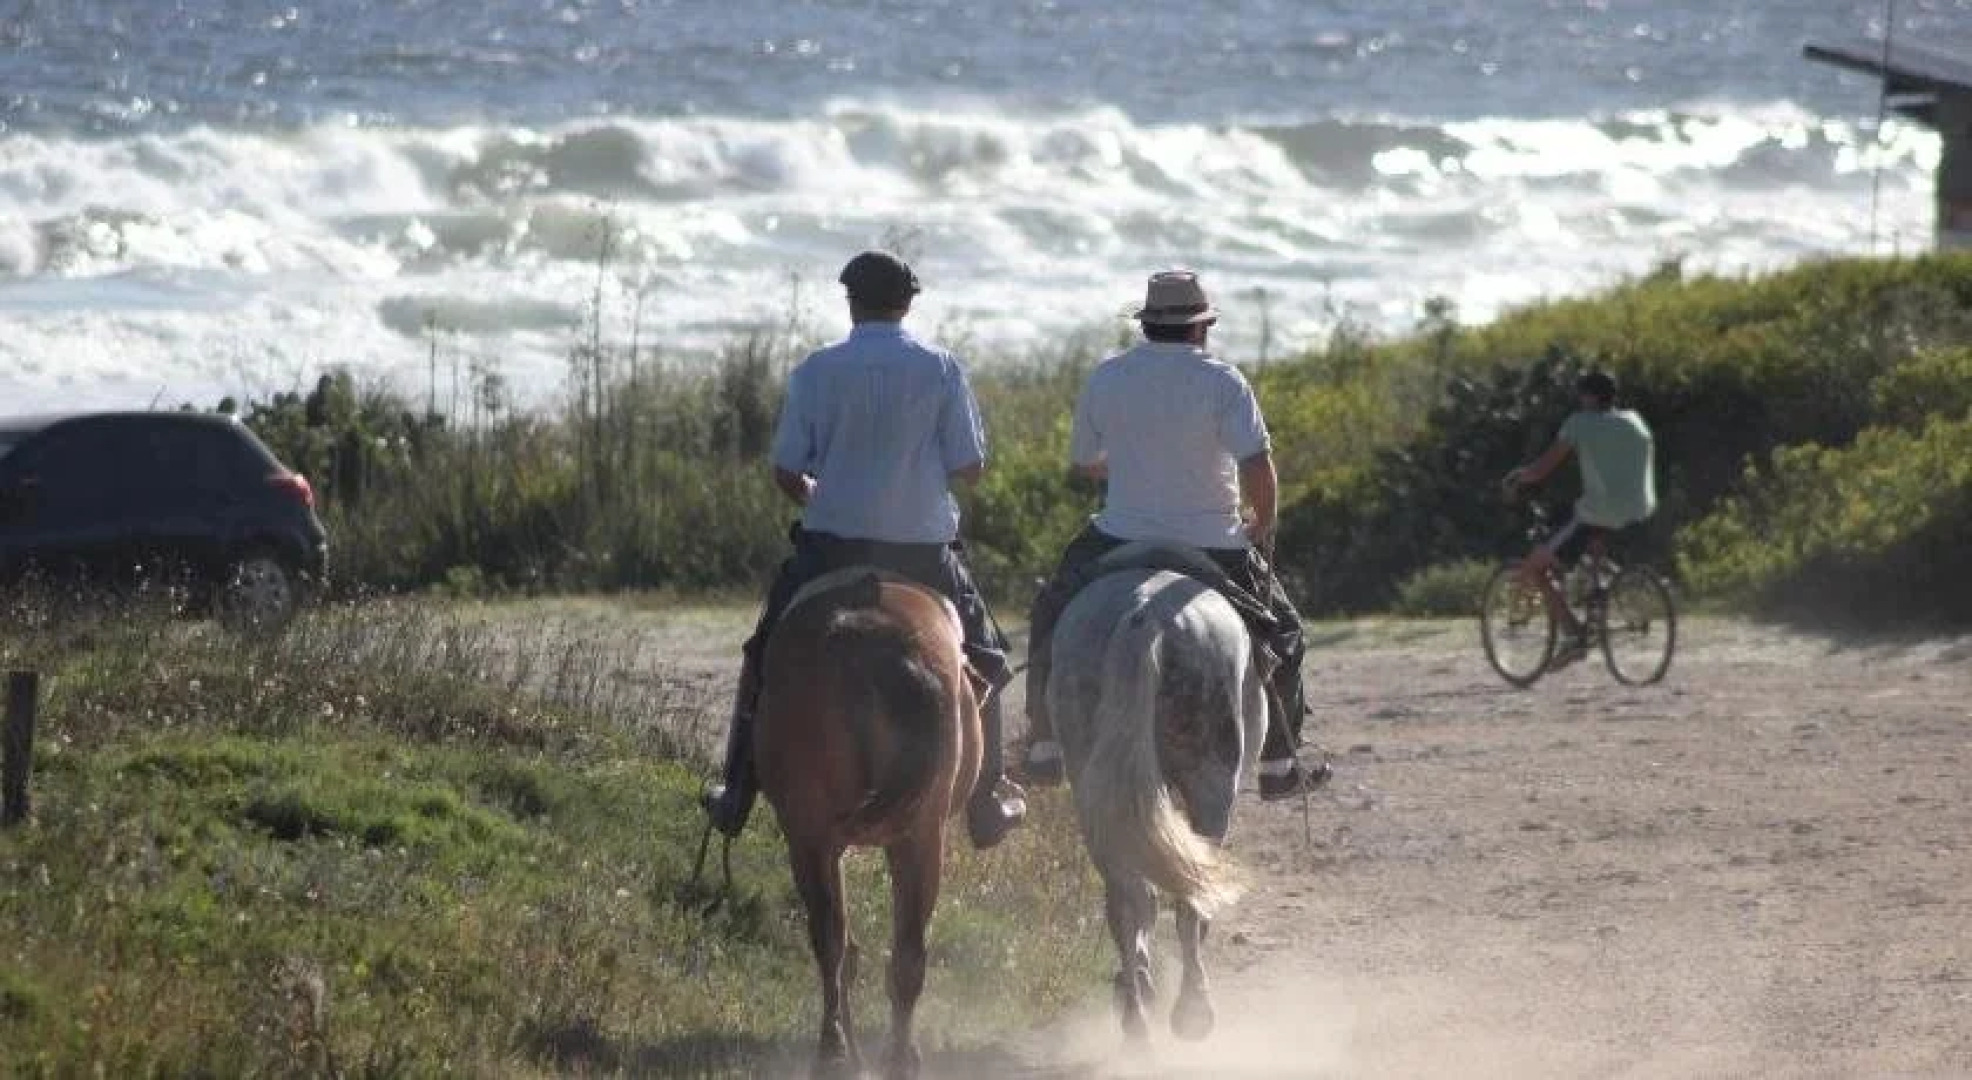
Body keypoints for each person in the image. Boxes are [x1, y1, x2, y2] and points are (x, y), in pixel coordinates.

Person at [700, 250, 1027, 850]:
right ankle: (990, 795)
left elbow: (786, 471)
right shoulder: (942, 369)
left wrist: (819, 491)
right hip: (924, 552)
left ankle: (736, 787)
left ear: (850, 301)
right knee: (985, 656)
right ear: (909, 303)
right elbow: (970, 468)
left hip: (832, 547)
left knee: (765, 652)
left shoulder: (816, 370)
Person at [1021, 269, 1327, 800]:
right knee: (1285, 633)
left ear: (1146, 327)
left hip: (1119, 534)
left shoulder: (1108, 376)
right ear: (1200, 328)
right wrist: (1264, 521)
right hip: (1215, 540)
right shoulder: (1223, 381)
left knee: (1049, 614)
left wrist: (1139, 463)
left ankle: (1043, 747)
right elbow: (1257, 465)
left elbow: (1086, 463)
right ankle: (1279, 761)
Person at [1504, 370, 1657, 668]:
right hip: (1640, 508)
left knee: (1536, 565)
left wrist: (1516, 479)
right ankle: (1602, 592)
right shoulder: (1634, 421)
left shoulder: (1579, 423)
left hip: (1600, 511)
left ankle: (1573, 636)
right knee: (1589, 537)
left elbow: (1540, 470)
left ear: (1587, 396)